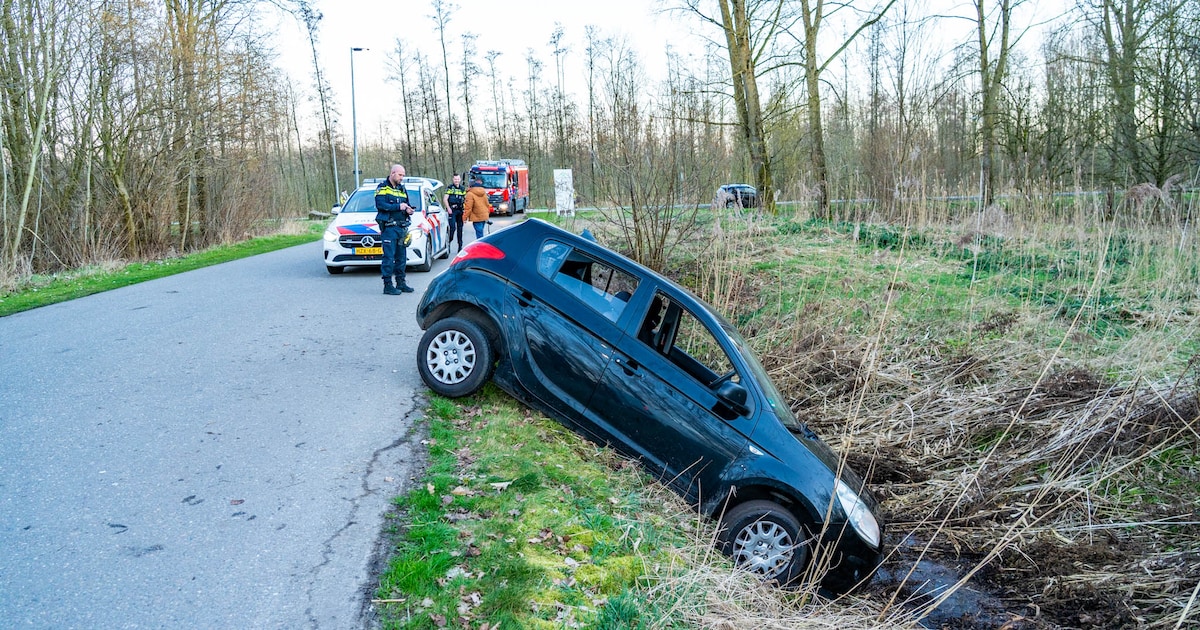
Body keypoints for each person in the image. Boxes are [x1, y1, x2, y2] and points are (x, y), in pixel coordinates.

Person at [375, 164, 415, 295]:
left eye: (403, 175)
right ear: (392, 173)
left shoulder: (402, 188)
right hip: (389, 227)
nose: (402, 177)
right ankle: (388, 285)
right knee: (389, 257)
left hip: (401, 227)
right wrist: (399, 207)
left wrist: (409, 210)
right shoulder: (383, 187)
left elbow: (406, 204)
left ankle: (401, 283)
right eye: (400, 175)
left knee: (401, 257)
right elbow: (380, 205)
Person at [442, 173, 466, 250]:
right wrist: (448, 208)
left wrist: (465, 211)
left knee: (460, 229)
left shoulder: (462, 189)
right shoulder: (450, 188)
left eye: (458, 179)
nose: (456, 181)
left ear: (460, 180)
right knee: (452, 228)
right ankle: (448, 243)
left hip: (460, 210)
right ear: (453, 179)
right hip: (452, 210)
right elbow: (445, 199)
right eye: (455, 179)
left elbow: (465, 200)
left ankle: (460, 246)